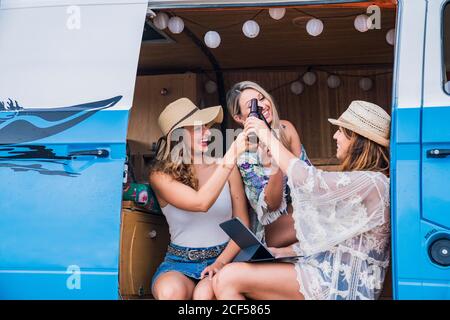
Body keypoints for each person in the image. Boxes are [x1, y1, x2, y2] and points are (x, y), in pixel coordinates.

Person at [213, 100, 391, 300]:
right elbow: (332, 239)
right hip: (325, 271)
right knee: (228, 276)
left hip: (340, 284)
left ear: (357, 139)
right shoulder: (365, 181)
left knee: (228, 278)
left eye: (340, 131)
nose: (335, 136)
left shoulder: (374, 182)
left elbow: (310, 180)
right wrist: (279, 252)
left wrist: (266, 135)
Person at [149, 98, 249, 300]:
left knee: (204, 295)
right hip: (179, 262)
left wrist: (220, 263)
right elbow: (200, 203)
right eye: (198, 129)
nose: (209, 133)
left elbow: (242, 225)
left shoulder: (226, 168)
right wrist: (231, 156)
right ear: (176, 137)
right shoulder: (159, 177)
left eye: (206, 127)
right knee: (169, 293)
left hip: (224, 258)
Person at [226, 81, 311, 247]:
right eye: (252, 105)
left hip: (304, 218)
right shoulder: (243, 154)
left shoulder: (286, 129)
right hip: (273, 234)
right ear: (239, 118)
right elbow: (272, 206)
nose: (262, 105)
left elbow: (306, 183)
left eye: (262, 98)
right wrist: (275, 166)